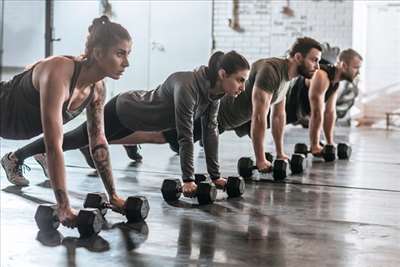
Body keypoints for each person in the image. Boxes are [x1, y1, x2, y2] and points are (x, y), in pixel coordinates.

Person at [7, 51, 250, 197]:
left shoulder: (214, 95)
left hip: (140, 122)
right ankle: (15, 157)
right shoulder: (187, 86)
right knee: (72, 139)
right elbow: (185, 136)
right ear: (222, 74)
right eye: (240, 80)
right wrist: (188, 180)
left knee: (79, 140)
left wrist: (216, 176)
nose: (242, 87)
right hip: (124, 110)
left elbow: (211, 132)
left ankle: (43, 154)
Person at [85, 37, 322, 173]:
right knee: (160, 137)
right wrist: (260, 160)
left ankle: (108, 141)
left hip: (221, 123)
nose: (317, 66)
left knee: (161, 137)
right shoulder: (271, 71)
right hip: (209, 113)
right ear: (298, 57)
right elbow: (260, 118)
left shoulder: (287, 79)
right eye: (314, 60)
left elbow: (277, 117)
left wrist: (280, 153)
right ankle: (94, 143)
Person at [1, 15, 132, 226]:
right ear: (98, 53)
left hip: (14, 127)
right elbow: (53, 145)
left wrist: (114, 196)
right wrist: (64, 207)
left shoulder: (97, 89)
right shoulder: (59, 72)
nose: (126, 63)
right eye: (120, 54)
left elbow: (98, 142)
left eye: (127, 54)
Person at [285, 48, 363, 155]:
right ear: (344, 65)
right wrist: (315, 145)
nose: (358, 72)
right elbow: (316, 113)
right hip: (280, 108)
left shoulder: (335, 82)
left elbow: (330, 113)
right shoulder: (322, 76)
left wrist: (329, 143)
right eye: (356, 68)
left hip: (294, 113)